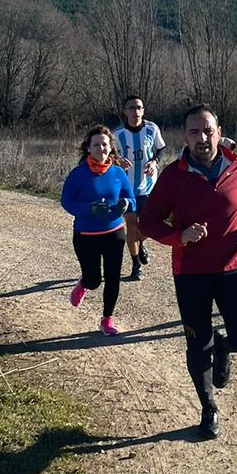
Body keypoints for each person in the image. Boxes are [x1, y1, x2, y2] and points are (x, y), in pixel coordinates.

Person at [138, 103, 237, 438]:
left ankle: (225, 347)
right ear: (184, 136)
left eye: (207, 130)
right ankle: (208, 408)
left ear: (218, 130)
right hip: (191, 273)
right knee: (197, 345)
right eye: (194, 132)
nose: (202, 137)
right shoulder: (173, 175)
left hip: (233, 267)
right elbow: (148, 221)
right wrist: (179, 236)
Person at [60, 125, 137, 337]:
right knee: (94, 279)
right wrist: (89, 209)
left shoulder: (118, 173)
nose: (101, 149)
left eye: (104, 144)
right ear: (88, 148)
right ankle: (84, 283)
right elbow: (66, 201)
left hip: (114, 233)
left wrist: (126, 205)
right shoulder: (78, 174)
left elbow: (131, 199)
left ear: (110, 147)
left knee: (113, 278)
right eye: (96, 145)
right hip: (86, 235)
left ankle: (107, 320)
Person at [113, 93, 166, 282]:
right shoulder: (117, 134)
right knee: (132, 226)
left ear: (143, 110)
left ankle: (140, 244)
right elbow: (109, 155)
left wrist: (154, 161)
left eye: (139, 108)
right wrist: (117, 160)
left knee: (149, 226)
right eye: (132, 108)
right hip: (127, 189)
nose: (136, 111)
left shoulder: (152, 129)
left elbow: (161, 148)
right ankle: (136, 265)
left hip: (149, 187)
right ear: (125, 111)